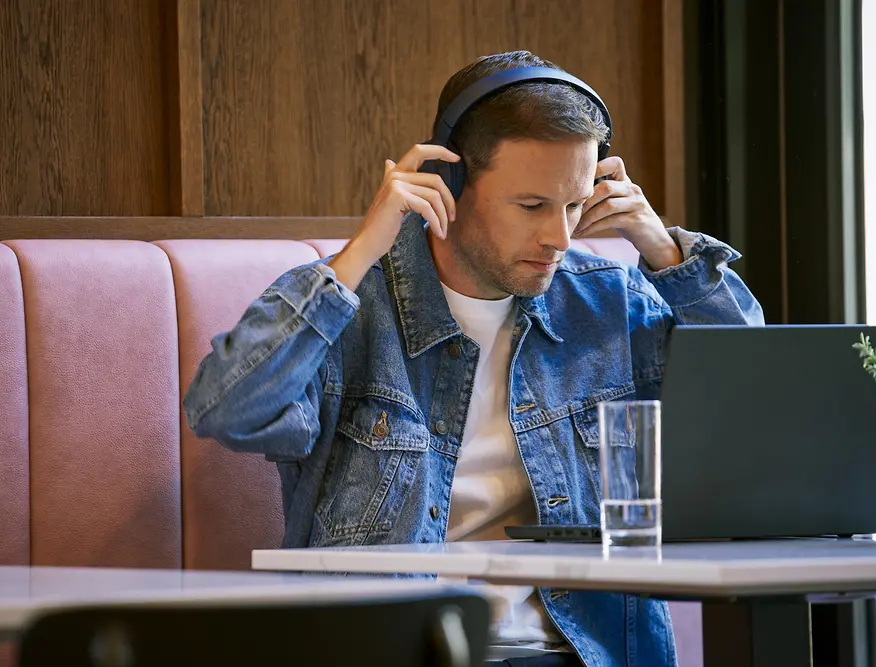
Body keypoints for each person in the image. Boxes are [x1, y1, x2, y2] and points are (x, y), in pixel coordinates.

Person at [183, 50, 764, 667]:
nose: (559, 239)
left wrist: (664, 252)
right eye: (532, 205)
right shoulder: (354, 310)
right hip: (405, 652)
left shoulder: (607, 301)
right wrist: (356, 257)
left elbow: (753, 390)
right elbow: (225, 409)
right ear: (451, 186)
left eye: (573, 205)